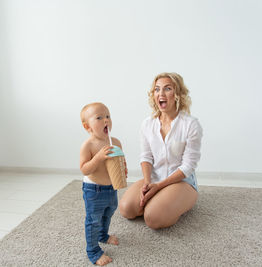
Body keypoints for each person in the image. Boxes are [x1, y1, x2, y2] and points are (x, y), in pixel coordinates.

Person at [119, 72, 203, 230]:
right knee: (126, 209)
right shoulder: (147, 124)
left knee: (153, 218)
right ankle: (160, 199)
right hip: (155, 177)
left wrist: (159, 187)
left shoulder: (191, 125)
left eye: (167, 89)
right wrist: (147, 182)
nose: (161, 94)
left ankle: (176, 200)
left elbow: (188, 166)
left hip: (182, 181)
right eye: (157, 89)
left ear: (177, 94)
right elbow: (146, 156)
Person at [79, 102, 126, 266]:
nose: (106, 120)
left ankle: (103, 235)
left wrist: (123, 170)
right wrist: (98, 157)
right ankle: (93, 251)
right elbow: (84, 169)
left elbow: (121, 161)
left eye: (108, 116)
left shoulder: (116, 142)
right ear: (87, 126)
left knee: (109, 212)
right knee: (93, 220)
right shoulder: (89, 145)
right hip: (94, 190)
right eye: (99, 118)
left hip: (111, 188)